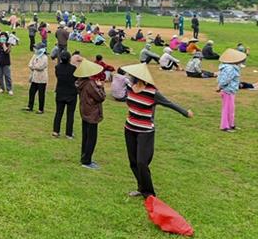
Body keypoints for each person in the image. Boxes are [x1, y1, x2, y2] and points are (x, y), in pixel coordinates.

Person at [119, 63, 193, 197]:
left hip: (145, 131)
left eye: (132, 75)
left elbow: (169, 103)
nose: (129, 76)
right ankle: (141, 188)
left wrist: (185, 112)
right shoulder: (129, 87)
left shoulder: (152, 92)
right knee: (133, 162)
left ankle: (149, 193)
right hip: (129, 128)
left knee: (142, 162)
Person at [75, 60, 105, 169]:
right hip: (92, 113)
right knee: (91, 138)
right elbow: (100, 97)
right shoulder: (90, 84)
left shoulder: (80, 82)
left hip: (85, 111)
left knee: (86, 136)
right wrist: (100, 87)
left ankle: (84, 157)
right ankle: (87, 161)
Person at [216, 48, 246, 132]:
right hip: (227, 90)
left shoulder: (231, 67)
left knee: (231, 108)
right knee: (227, 109)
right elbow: (226, 79)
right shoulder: (230, 68)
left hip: (231, 90)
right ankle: (224, 126)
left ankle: (231, 124)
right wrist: (220, 86)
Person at [52, 51, 77, 139]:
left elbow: (58, 76)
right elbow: (75, 78)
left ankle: (56, 131)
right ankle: (68, 133)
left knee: (58, 113)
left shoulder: (57, 67)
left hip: (60, 92)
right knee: (70, 114)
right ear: (70, 59)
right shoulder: (73, 68)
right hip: (71, 93)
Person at [26, 43, 48, 114]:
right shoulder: (35, 55)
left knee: (41, 94)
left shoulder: (45, 57)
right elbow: (30, 64)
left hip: (42, 79)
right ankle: (30, 106)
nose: (35, 49)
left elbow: (40, 67)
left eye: (37, 48)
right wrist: (33, 66)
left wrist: (33, 66)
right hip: (34, 77)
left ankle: (41, 109)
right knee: (31, 92)